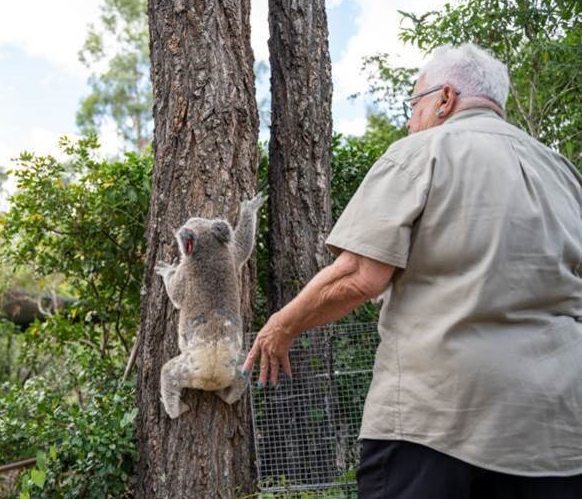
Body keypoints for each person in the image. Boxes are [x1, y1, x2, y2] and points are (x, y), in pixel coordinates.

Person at [242, 43, 582, 498]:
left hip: (436, 424)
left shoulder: (419, 154)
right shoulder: (561, 171)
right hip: (554, 433)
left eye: (414, 102)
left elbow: (360, 275)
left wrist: (281, 326)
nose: (408, 119)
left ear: (445, 99)